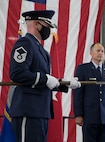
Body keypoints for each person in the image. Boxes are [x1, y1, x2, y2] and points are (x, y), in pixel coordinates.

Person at [9, 10, 81, 142]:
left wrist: (64, 83)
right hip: (28, 109)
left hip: (40, 111)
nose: (48, 29)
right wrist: (46, 78)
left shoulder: (41, 49)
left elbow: (44, 81)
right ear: (37, 24)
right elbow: (17, 73)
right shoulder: (25, 43)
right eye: (47, 25)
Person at [73, 42, 105, 142]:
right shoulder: (83, 69)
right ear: (91, 53)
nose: (100, 53)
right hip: (89, 114)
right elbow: (78, 93)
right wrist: (78, 114)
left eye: (102, 51)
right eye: (98, 51)